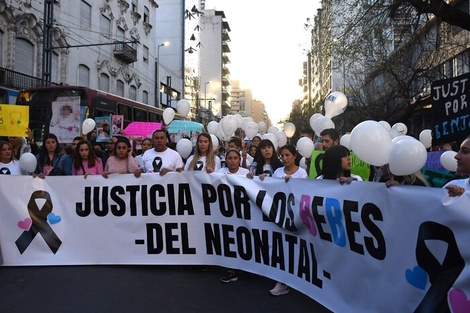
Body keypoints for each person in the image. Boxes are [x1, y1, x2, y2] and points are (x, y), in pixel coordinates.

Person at [266, 144, 308, 296]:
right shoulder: (277, 172)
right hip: (278, 216)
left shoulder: (302, 173)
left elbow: (305, 193)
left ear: (295, 156)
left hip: (295, 218)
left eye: (287, 155)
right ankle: (281, 280)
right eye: (282, 156)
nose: (284, 158)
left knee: (293, 248)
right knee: (280, 248)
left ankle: (290, 279)